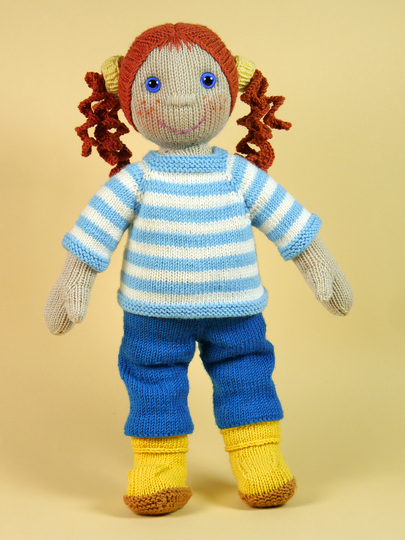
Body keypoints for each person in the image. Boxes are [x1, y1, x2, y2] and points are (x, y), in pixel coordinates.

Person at [44, 23, 353, 515]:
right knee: (152, 384)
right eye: (153, 85)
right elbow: (95, 230)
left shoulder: (237, 174)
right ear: (126, 101)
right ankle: (157, 472)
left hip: (236, 309)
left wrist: (317, 262)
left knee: (247, 376)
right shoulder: (138, 180)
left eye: (207, 82)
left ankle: (260, 461)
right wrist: (72, 281)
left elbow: (287, 220)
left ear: (233, 90)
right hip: (152, 312)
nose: (182, 99)